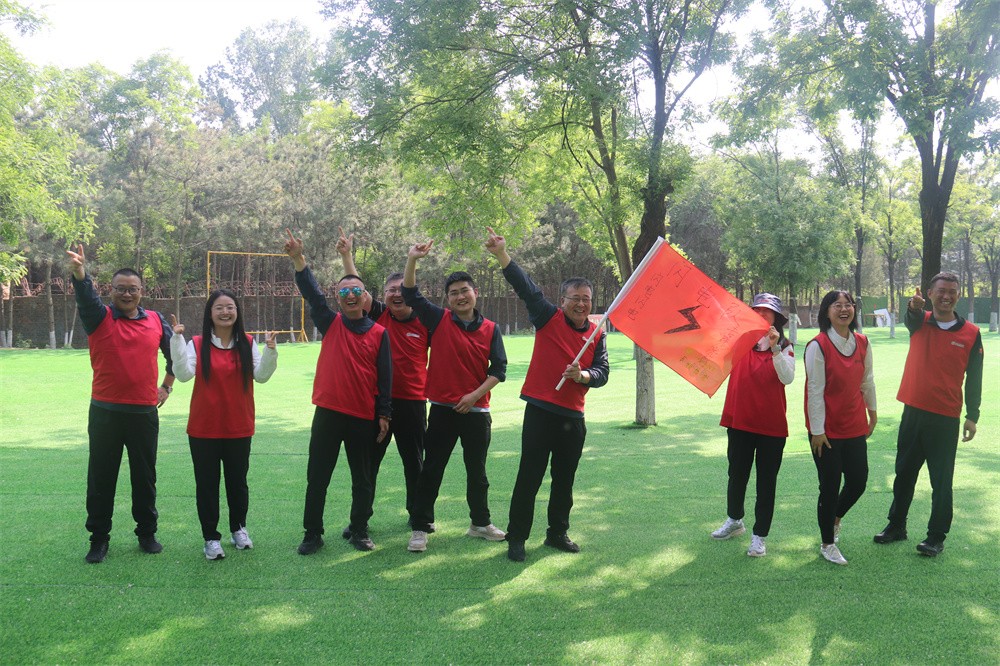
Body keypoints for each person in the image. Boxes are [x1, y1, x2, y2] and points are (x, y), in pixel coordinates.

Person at [484, 228, 611, 562]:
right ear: (563, 301)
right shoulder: (547, 317)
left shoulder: (597, 334)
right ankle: (517, 537)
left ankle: (557, 533)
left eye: (586, 299)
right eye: (575, 298)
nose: (581, 304)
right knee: (529, 477)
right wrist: (502, 254)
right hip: (541, 412)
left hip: (573, 418)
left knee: (564, 480)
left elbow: (602, 372)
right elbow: (525, 287)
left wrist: (583, 375)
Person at [283, 230, 392, 554]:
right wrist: (299, 260)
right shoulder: (330, 323)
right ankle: (312, 533)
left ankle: (359, 529)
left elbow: (385, 378)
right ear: (338, 297)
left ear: (364, 296)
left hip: (362, 416)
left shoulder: (379, 333)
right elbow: (312, 295)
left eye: (356, 290)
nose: (350, 295)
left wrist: (384, 414)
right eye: (344, 291)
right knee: (317, 477)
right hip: (328, 414)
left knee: (363, 478)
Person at [66, 244, 175, 564]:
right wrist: (80, 273)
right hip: (105, 413)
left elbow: (176, 357)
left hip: (143, 413)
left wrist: (166, 387)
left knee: (145, 477)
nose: (127, 294)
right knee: (101, 478)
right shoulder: (98, 317)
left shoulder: (156, 320)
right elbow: (86, 297)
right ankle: (99, 539)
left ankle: (147, 533)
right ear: (111, 291)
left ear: (142, 291)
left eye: (133, 289)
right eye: (121, 289)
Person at [403, 240, 508, 553]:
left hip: (477, 412)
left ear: (475, 293)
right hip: (441, 411)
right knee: (431, 470)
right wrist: (413, 259)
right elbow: (410, 294)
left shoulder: (491, 329)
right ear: (447, 299)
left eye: (465, 291)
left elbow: (499, 370)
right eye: (453, 293)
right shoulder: (438, 319)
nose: (460, 297)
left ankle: (480, 523)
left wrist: (474, 396)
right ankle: (420, 527)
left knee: (478, 473)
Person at [874, 273, 984, 557]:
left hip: (945, 418)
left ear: (958, 295)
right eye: (941, 291)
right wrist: (913, 306)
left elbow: (975, 377)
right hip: (913, 412)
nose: (946, 296)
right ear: (930, 294)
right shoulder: (920, 321)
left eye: (952, 291)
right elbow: (911, 316)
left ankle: (936, 536)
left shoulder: (971, 333)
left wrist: (972, 415)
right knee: (904, 473)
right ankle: (896, 525)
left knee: (941, 481)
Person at [168, 290, 278, 560]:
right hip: (203, 428)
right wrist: (177, 339)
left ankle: (238, 528)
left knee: (238, 483)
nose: (225, 312)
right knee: (207, 485)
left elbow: (262, 376)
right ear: (210, 313)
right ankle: (210, 538)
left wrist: (270, 351)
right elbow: (183, 375)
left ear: (237, 312)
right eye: (219, 308)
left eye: (230, 307)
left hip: (238, 426)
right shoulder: (197, 343)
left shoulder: (247, 343)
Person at [335, 229, 429, 536]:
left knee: (414, 463)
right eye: (390, 290)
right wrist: (347, 255)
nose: (396, 294)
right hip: (378, 404)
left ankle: (418, 515)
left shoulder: (426, 321)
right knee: (369, 464)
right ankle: (359, 519)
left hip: (413, 403)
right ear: (383, 295)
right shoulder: (378, 314)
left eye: (402, 289)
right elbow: (356, 290)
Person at [711, 293, 795, 558]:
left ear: (775, 318)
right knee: (736, 474)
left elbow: (787, 378)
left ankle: (760, 536)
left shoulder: (785, 347)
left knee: (766, 483)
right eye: (756, 310)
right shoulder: (739, 342)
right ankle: (734, 520)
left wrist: (775, 348)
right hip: (740, 421)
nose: (760, 315)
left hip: (771, 426)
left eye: (766, 312)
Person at [804, 290, 877, 566]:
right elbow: (815, 390)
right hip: (826, 430)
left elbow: (867, 380)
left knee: (858, 481)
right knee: (830, 486)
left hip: (855, 425)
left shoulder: (862, 342)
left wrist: (872, 413)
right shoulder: (818, 345)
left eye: (848, 305)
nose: (844, 309)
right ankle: (828, 543)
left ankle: (835, 518)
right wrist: (818, 431)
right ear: (827, 311)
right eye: (837, 305)